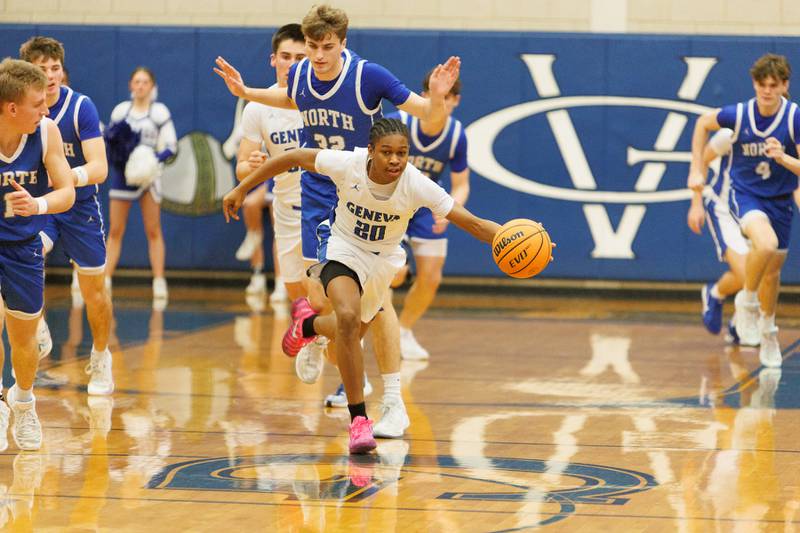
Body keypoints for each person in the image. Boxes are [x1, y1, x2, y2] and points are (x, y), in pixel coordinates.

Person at [215, 4, 460, 439]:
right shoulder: (303, 74)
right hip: (317, 196)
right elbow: (290, 98)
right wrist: (247, 91)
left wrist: (437, 97)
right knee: (328, 302)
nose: (320, 55)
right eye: (313, 47)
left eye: (328, 47)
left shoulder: (369, 77)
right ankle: (314, 328)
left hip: (366, 196)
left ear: (343, 42)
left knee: (377, 302)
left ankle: (393, 401)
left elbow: (426, 114)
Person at [223, 118, 512, 453]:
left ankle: (309, 325)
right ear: (371, 151)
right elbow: (292, 158)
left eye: (402, 153)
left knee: (342, 342)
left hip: (382, 261)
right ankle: (359, 421)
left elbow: (473, 223)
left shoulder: (416, 183)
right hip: (341, 247)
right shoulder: (349, 164)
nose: (394, 160)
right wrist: (242, 188)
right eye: (386, 152)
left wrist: (508, 236)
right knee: (346, 316)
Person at [688, 53, 800, 368]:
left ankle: (767, 331)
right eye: (762, 85)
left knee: (771, 271)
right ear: (754, 85)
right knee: (761, 251)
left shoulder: (793, 120)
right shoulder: (736, 121)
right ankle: (745, 306)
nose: (767, 91)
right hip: (736, 199)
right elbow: (702, 133)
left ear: (784, 87)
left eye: (773, 86)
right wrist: (695, 181)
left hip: (778, 201)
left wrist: (783, 159)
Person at [20, 36, 115, 395]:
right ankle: (38, 322)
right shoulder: (21, 109)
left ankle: (102, 356)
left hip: (79, 207)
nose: (50, 75)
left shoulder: (80, 108)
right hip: (41, 206)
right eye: (42, 69)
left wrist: (67, 180)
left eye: (55, 68)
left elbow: (100, 168)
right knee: (24, 259)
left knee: (94, 291)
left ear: (63, 69)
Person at [0, 58, 75, 450]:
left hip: (23, 246)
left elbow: (67, 192)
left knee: (24, 339)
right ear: (12, 108)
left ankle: (24, 400)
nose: (46, 109)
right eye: (37, 102)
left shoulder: (45, 132)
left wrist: (39, 206)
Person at [387, 70, 469, 360]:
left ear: (455, 101)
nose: (440, 101)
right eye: (435, 95)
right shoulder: (398, 122)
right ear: (423, 96)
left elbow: (461, 185)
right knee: (395, 275)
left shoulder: (457, 135)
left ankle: (403, 330)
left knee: (432, 277)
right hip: (391, 202)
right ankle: (366, 324)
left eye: (447, 97)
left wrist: (451, 210)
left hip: (425, 206)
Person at [234, 24, 307, 304]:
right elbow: (242, 168)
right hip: (286, 204)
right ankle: (311, 343)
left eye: (300, 58)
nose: (291, 64)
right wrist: (251, 165)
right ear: (273, 59)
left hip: (325, 203)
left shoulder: (322, 100)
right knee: (295, 292)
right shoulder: (256, 108)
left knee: (325, 287)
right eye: (286, 56)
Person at [105, 67, 177, 301]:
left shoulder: (159, 112)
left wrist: (148, 161)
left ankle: (159, 281)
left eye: (145, 82)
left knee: (153, 230)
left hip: (148, 178)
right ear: (130, 85)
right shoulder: (120, 112)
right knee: (115, 230)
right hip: (122, 176)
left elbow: (171, 146)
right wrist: (121, 157)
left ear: (152, 86)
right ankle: (105, 279)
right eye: (136, 81)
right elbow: (110, 141)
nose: (140, 86)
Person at [686, 128, 747, 341]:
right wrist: (696, 203)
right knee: (748, 274)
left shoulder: (789, 138)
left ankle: (736, 320)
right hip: (725, 210)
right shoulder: (734, 131)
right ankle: (722, 300)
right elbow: (701, 160)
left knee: (763, 274)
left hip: (762, 211)